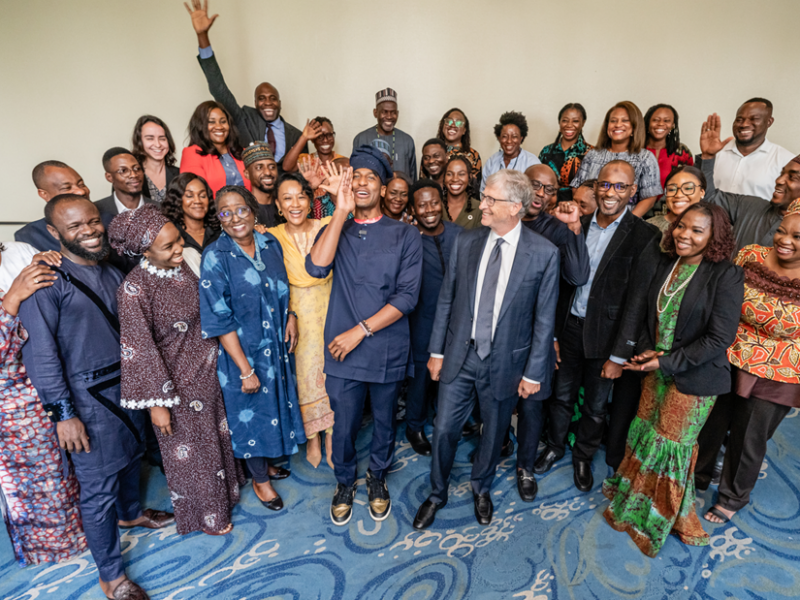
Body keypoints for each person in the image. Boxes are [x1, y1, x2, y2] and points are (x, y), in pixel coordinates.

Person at [18, 195, 173, 600]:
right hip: (85, 401)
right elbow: (41, 355)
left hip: (128, 385)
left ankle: (131, 514)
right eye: (74, 227)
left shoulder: (109, 271)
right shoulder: (47, 282)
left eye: (92, 221)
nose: (88, 230)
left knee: (130, 460)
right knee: (98, 487)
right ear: (54, 234)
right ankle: (111, 576)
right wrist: (63, 414)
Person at [413, 169, 560, 530]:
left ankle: (481, 488)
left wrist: (533, 373)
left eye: (491, 199)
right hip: (460, 357)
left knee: (493, 434)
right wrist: (437, 351)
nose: (484, 204)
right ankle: (436, 493)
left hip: (506, 364)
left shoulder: (544, 254)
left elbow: (544, 321)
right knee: (444, 429)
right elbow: (446, 299)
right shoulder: (467, 240)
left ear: (515, 207)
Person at [603, 203, 742, 557]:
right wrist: (650, 352)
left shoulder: (725, 275)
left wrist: (666, 361)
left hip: (695, 378)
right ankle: (633, 499)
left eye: (697, 230)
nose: (684, 234)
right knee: (647, 430)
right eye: (681, 226)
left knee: (671, 446)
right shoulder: (669, 262)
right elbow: (654, 315)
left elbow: (719, 339)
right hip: (656, 368)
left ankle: (659, 518)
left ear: (714, 237)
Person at [306, 146, 422, 526]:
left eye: (370, 177)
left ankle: (376, 477)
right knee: (344, 423)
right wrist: (338, 211)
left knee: (386, 420)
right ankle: (344, 481)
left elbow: (407, 297)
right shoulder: (336, 227)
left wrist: (361, 330)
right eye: (354, 176)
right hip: (342, 352)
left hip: (384, 345)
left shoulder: (405, 235)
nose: (360, 182)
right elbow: (317, 268)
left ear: (384, 188)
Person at [109, 205, 242, 536]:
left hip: (209, 373)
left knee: (216, 439)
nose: (178, 249)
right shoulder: (134, 289)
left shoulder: (182, 267)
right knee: (191, 455)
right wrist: (157, 404)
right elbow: (139, 350)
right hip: (175, 385)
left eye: (177, 241)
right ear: (145, 250)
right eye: (168, 247)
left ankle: (227, 496)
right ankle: (209, 518)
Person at [535, 161, 661, 491]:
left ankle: (582, 456)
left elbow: (638, 303)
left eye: (621, 187)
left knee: (594, 406)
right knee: (560, 396)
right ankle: (555, 446)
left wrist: (619, 356)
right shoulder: (575, 223)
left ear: (633, 192)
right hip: (568, 328)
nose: (611, 192)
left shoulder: (645, 236)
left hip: (607, 338)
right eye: (605, 185)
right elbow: (558, 285)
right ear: (596, 187)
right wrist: (553, 334)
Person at [200, 185, 305, 512]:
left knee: (272, 408)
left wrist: (291, 315)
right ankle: (260, 480)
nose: (234, 218)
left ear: (253, 210)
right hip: (241, 354)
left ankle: (269, 463)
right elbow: (218, 319)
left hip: (275, 346)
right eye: (225, 212)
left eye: (241, 209)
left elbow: (284, 286)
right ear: (219, 219)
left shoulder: (270, 243)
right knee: (252, 415)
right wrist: (244, 369)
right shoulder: (215, 256)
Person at [703, 202, 800, 525]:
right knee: (709, 422)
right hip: (727, 353)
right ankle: (697, 476)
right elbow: (721, 293)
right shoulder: (751, 255)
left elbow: (788, 326)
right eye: (783, 231)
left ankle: (732, 496)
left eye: (798, 236)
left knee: (749, 436)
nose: (785, 240)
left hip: (778, 369)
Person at [0, 241, 87, 567]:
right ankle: (49, 553)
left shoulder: (18, 251)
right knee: (33, 487)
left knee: (65, 471)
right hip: (11, 409)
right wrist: (12, 297)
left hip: (45, 385)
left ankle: (82, 535)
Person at [268, 173, 336, 469]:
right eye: (287, 198)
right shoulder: (270, 235)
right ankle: (312, 436)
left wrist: (335, 195)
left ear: (311, 201)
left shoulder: (326, 226)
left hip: (332, 306)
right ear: (278, 205)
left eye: (301, 196)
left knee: (332, 372)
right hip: (296, 312)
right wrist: (287, 314)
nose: (295, 204)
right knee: (305, 377)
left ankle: (333, 436)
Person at [185, 0, 305, 162]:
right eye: (261, 98)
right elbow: (218, 88)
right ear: (255, 103)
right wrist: (202, 36)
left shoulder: (297, 135)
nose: (268, 102)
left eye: (272, 98)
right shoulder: (244, 119)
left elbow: (301, 173)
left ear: (279, 102)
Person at [404, 179, 462, 456]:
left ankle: (446, 421)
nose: (429, 209)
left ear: (442, 203)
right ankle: (414, 426)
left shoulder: (461, 235)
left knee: (452, 375)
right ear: (413, 209)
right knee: (420, 379)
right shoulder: (408, 239)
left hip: (456, 322)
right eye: (421, 204)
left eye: (434, 202)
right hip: (421, 320)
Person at [696, 115, 800, 251]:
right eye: (781, 174)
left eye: (792, 177)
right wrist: (708, 158)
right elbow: (708, 198)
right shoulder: (750, 205)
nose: (779, 180)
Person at [571, 101, 662, 217]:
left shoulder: (645, 158)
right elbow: (577, 189)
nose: (618, 124)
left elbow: (649, 198)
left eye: (625, 120)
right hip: (589, 222)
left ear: (635, 126)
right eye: (613, 121)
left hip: (626, 225)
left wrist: (624, 225)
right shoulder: (592, 155)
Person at [705, 99, 795, 200]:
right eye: (739, 120)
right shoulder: (714, 154)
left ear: (769, 122)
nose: (744, 124)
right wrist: (707, 156)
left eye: (754, 119)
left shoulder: (786, 161)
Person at [15, 161, 91, 252]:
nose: (81, 191)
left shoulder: (109, 221)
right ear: (44, 194)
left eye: (81, 185)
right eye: (66, 188)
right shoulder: (30, 235)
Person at [179, 101, 250, 196]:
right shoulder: (192, 153)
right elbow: (196, 195)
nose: (219, 127)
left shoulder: (244, 153)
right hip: (215, 210)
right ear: (200, 126)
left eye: (223, 121)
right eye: (212, 122)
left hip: (248, 209)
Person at [352, 88, 417, 181]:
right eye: (384, 112)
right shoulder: (361, 139)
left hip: (400, 194)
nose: (389, 117)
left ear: (397, 114)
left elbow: (413, 178)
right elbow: (355, 174)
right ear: (375, 113)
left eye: (393, 112)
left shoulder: (407, 141)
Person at [539, 103, 593, 203]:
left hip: (577, 209)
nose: (569, 125)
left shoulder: (591, 153)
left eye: (575, 121)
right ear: (559, 122)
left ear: (583, 123)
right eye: (565, 120)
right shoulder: (546, 151)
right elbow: (538, 181)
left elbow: (593, 188)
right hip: (547, 207)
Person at [161, 173, 221, 257]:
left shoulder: (221, 231)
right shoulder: (170, 235)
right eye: (189, 196)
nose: (197, 201)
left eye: (202, 196)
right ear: (177, 200)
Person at [481, 111, 540, 192]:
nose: (509, 141)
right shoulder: (492, 161)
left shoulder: (532, 162)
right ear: (499, 138)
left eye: (514, 136)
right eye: (504, 136)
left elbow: (536, 194)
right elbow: (483, 191)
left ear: (521, 138)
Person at [644, 104, 694, 189]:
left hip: (671, 201)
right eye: (655, 120)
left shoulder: (682, 152)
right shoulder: (635, 149)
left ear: (673, 125)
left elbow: (691, 182)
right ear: (648, 122)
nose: (660, 124)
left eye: (666, 121)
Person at [131, 115, 180, 203]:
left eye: (162, 138)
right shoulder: (130, 176)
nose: (157, 144)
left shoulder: (180, 174)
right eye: (150, 139)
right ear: (139, 142)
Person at [647, 166, 707, 233]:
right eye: (671, 189)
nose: (678, 195)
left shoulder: (712, 227)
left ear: (702, 192)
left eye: (688, 188)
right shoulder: (647, 227)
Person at [94, 147, 150, 217]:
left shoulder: (161, 209)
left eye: (137, 168)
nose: (133, 175)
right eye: (123, 171)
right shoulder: (95, 210)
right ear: (109, 177)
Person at [435, 108, 482, 186]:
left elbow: (476, 188)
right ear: (442, 126)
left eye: (459, 123)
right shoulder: (432, 152)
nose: (452, 125)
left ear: (464, 130)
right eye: (449, 121)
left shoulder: (473, 156)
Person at [241, 142, 284, 228]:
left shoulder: (285, 203)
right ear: (247, 174)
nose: (268, 172)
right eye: (259, 168)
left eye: (272, 167)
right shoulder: (242, 211)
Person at [443, 154, 483, 230]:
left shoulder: (480, 209)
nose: (455, 179)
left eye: (461, 174)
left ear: (470, 177)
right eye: (449, 174)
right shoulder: (435, 206)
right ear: (444, 177)